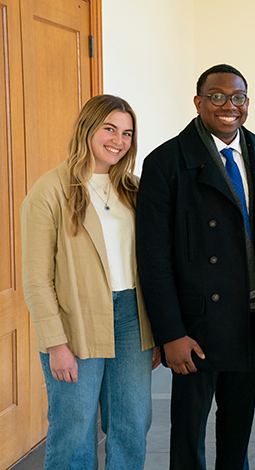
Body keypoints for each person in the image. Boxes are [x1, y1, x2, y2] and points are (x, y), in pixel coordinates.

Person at [135, 64, 255, 470]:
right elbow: (153, 258)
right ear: (198, 102)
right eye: (217, 96)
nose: (228, 105)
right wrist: (171, 333)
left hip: (249, 319)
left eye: (237, 97)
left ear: (247, 103)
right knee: (188, 435)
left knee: (237, 433)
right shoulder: (165, 162)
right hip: (195, 327)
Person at [21, 94, 160, 470]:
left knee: (133, 422)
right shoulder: (49, 191)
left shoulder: (134, 188)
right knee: (75, 426)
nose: (119, 140)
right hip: (75, 322)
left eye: (127, 133)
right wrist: (55, 343)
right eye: (110, 129)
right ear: (88, 128)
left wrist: (157, 333)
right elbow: (35, 278)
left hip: (131, 318)